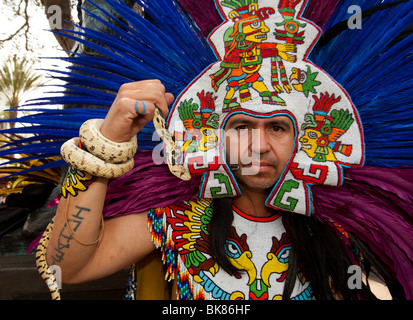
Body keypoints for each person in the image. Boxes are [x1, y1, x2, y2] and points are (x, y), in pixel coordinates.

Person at [35, 0, 411, 300]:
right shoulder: (180, 221)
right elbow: (68, 267)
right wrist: (107, 143)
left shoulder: (342, 221)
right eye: (242, 126)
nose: (258, 146)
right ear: (214, 133)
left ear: (305, 137)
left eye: (277, 127)